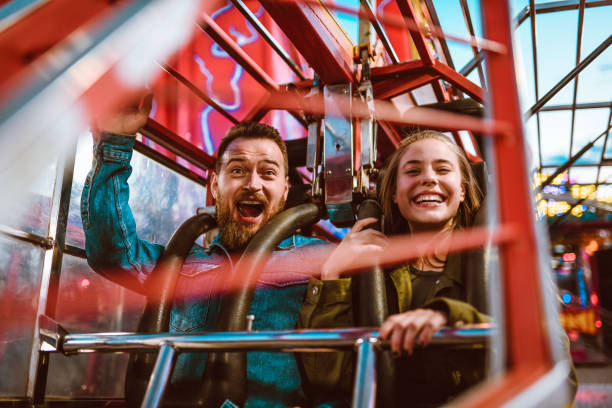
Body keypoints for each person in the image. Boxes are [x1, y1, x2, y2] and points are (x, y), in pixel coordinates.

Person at [82, 94, 326, 407]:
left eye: (268, 173)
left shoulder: (318, 258)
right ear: (214, 185)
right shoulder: (182, 262)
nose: (253, 184)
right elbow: (111, 253)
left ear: (285, 189)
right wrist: (116, 141)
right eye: (238, 171)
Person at [299, 130, 491, 406]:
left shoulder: (499, 262)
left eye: (442, 169)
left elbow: (545, 361)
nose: (428, 178)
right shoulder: (371, 277)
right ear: (394, 196)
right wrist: (332, 274)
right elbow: (327, 377)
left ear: (462, 190)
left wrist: (450, 319)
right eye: (413, 171)